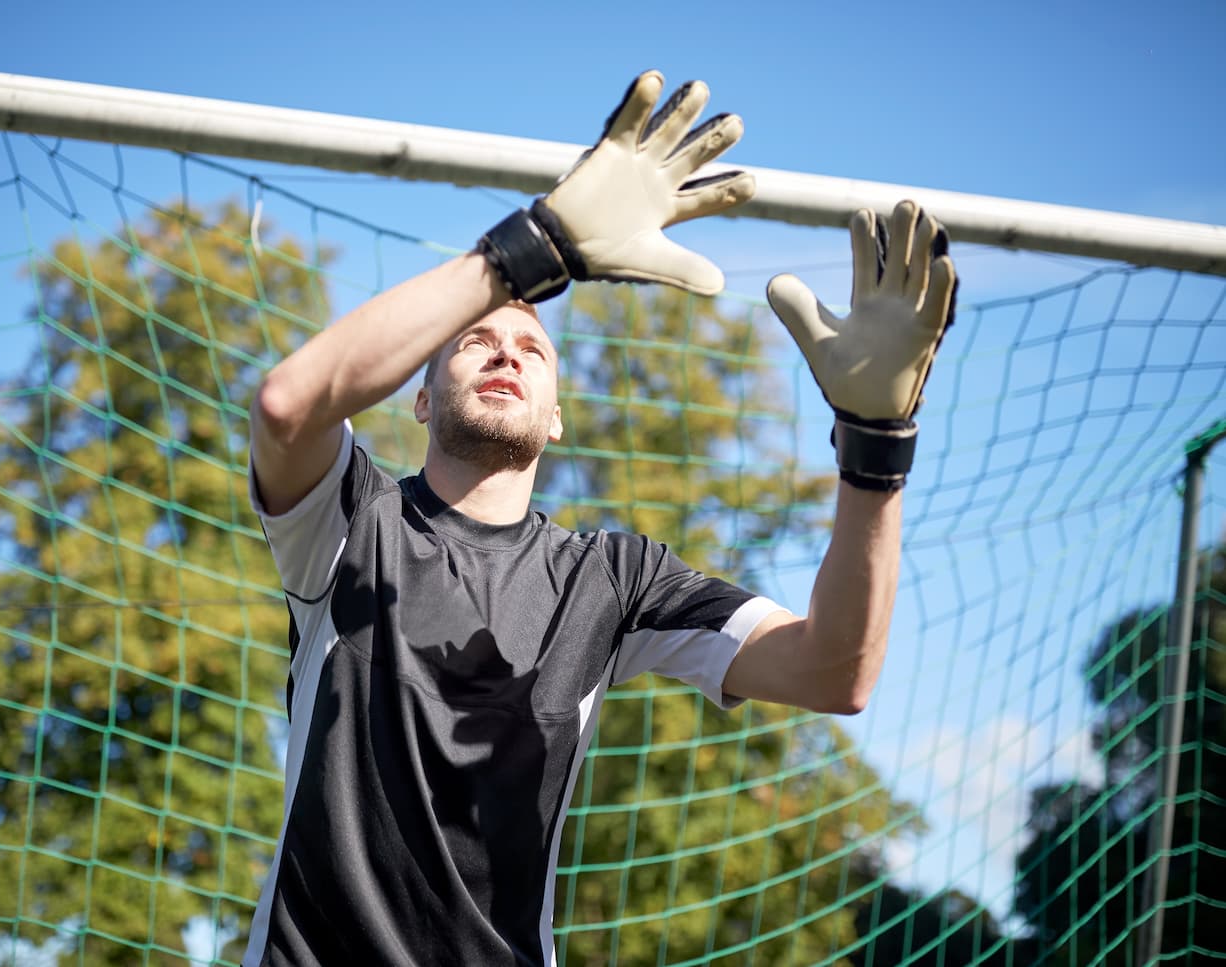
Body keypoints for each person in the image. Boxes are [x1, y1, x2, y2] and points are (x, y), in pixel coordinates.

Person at [241, 70, 956, 967]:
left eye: (533, 346)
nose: (507, 346)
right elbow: (286, 406)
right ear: (419, 397)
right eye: (474, 339)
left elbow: (834, 671)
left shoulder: (611, 581)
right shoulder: (351, 522)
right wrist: (529, 251)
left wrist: (876, 446)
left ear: (556, 416)